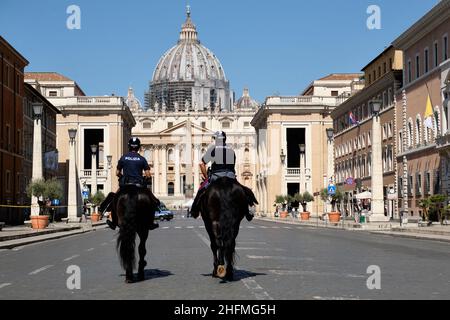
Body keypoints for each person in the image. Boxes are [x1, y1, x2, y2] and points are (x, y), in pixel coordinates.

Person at [190, 131, 255, 221]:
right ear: (225, 139)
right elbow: (233, 165)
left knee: (201, 189)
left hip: (216, 175)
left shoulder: (213, 149)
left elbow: (202, 164)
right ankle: (248, 211)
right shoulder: (231, 150)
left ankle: (194, 210)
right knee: (244, 191)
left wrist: (206, 177)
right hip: (230, 175)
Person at [106, 137, 159, 231]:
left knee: (114, 200)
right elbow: (148, 174)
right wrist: (145, 178)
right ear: (138, 147)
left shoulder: (123, 157)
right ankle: (151, 223)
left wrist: (122, 177)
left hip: (125, 185)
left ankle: (114, 222)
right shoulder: (142, 159)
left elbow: (117, 173)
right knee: (154, 201)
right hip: (139, 185)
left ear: (129, 147)